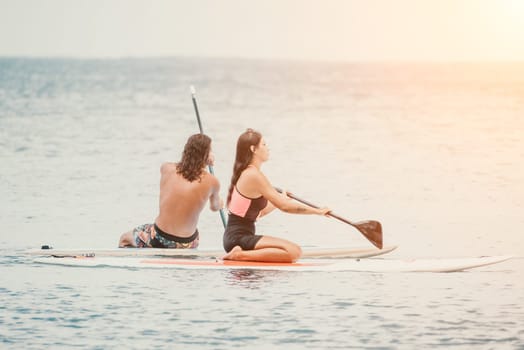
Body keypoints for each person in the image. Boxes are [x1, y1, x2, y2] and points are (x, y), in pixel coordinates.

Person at [222, 128, 330, 262]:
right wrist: (317, 211)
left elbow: (259, 212)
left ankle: (241, 253)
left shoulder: (249, 173)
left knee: (292, 251)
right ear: (253, 149)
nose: (268, 148)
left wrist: (280, 199)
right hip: (237, 239)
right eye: (264, 145)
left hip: (237, 238)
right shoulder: (253, 175)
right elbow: (285, 207)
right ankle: (238, 255)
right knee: (294, 252)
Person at [119, 133, 223, 248]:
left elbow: (185, 172)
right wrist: (220, 202)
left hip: (159, 238)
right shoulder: (212, 181)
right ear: (206, 155)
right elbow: (215, 207)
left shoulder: (166, 168)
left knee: (124, 239)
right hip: (188, 243)